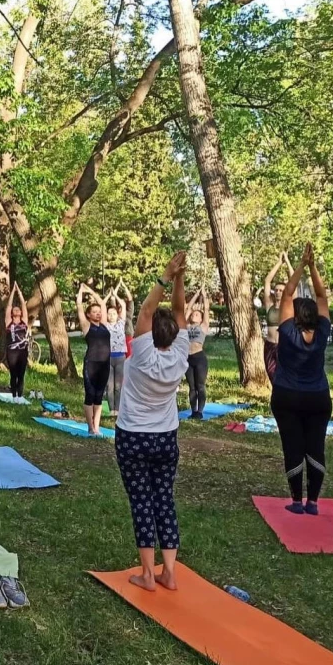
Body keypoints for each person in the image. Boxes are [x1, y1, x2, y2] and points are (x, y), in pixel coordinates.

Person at [115, 251, 190, 592]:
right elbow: (179, 311)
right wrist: (179, 279)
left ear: (148, 333)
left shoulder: (142, 352)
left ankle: (148, 574)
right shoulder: (179, 353)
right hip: (165, 439)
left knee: (141, 501)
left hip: (133, 437)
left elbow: (147, 310)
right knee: (164, 498)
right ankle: (169, 572)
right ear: (174, 334)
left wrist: (165, 275)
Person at [270, 243, 332, 515]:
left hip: (287, 396)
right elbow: (322, 296)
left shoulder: (287, 332)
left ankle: (297, 501)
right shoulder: (322, 332)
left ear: (295, 316)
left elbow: (287, 293)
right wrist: (312, 266)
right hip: (318, 397)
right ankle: (314, 503)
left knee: (292, 444)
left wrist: (300, 265)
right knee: (315, 445)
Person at [76, 283, 110, 435]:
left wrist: (91, 290)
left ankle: (97, 427)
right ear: (89, 315)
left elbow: (102, 303)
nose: (98, 313)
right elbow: (79, 306)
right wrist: (81, 292)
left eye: (98, 312)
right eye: (94, 312)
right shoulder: (86, 326)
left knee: (99, 396)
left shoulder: (104, 325)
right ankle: (90, 428)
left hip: (105, 364)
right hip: (91, 364)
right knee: (90, 395)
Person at [263, 251, 294, 382]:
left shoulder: (290, 305)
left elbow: (294, 280)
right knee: (271, 374)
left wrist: (287, 261)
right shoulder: (269, 304)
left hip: (284, 346)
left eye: (281, 290)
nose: (278, 292)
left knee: (286, 375)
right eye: (276, 290)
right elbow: (267, 281)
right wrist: (278, 263)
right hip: (270, 345)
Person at [184, 287, 211, 420]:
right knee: (192, 386)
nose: (194, 315)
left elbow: (206, 309)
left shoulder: (203, 326)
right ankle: (193, 411)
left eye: (197, 314)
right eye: (193, 314)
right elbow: (188, 308)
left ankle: (200, 411)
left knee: (200, 386)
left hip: (199, 358)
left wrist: (204, 295)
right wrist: (195, 295)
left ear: (201, 319)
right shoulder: (187, 326)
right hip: (187, 358)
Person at [5, 282, 30, 402]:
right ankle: (14, 396)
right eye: (14, 309)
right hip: (12, 352)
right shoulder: (8, 322)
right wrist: (12, 293)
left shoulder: (24, 322)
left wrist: (19, 292)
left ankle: (20, 396)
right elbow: (9, 306)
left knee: (21, 374)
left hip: (22, 351)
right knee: (13, 374)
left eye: (18, 309)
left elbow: (24, 307)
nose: (16, 310)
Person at [104, 287, 128, 415]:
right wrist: (108, 296)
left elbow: (123, 305)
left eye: (114, 313)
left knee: (118, 386)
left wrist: (116, 294)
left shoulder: (121, 324)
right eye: (109, 313)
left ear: (117, 315)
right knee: (110, 386)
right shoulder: (105, 325)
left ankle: (117, 410)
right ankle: (111, 409)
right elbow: (102, 305)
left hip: (120, 358)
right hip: (108, 358)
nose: (111, 315)